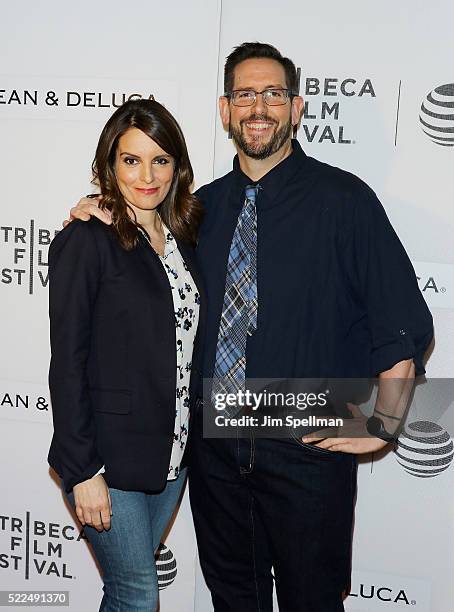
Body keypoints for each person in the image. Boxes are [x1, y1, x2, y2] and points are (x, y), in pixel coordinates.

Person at [66, 43, 433, 612]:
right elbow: (136, 246)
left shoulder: (346, 201)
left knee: (313, 601)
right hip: (213, 454)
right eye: (245, 95)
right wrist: (94, 205)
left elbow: (402, 322)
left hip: (307, 445)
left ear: (297, 107)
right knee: (235, 600)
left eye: (272, 94)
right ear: (225, 110)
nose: (258, 106)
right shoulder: (198, 212)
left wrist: (383, 424)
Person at [48, 98, 204, 612]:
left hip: (172, 454)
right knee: (137, 595)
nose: (147, 175)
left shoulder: (183, 238)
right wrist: (83, 470)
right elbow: (66, 361)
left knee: (125, 592)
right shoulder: (88, 239)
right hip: (106, 459)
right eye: (131, 160)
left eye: (160, 160)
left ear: (177, 167)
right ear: (110, 165)